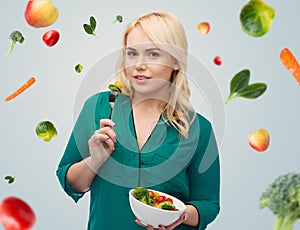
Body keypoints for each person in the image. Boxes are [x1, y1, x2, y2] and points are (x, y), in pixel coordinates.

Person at [56, 11, 221, 230]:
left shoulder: (199, 129)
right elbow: (69, 181)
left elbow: (208, 204)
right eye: (132, 53)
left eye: (153, 54)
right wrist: (95, 160)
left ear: (175, 61)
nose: (139, 65)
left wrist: (180, 215)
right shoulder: (99, 107)